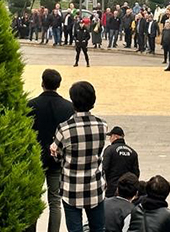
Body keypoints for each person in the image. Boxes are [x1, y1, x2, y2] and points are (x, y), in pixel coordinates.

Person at [51, 81, 108, 232]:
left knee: (75, 229)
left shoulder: (64, 128)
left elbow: (57, 156)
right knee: (98, 228)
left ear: (73, 101)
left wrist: (56, 152)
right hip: (95, 186)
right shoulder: (103, 126)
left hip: (71, 187)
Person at [27, 69, 75, 232]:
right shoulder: (69, 108)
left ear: (42, 83)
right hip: (57, 159)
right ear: (59, 85)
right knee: (55, 201)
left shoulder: (31, 105)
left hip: (36, 158)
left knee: (33, 198)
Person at [102, 126, 140, 198]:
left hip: (112, 189)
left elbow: (104, 169)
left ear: (115, 136)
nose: (110, 139)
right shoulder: (133, 152)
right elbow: (136, 173)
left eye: (110, 136)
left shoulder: (110, 150)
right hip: (127, 190)